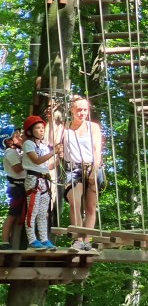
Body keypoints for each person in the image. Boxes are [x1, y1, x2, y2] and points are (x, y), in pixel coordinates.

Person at [51, 96, 104, 251]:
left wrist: (95, 169)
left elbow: (96, 149)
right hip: (72, 169)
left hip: (91, 167)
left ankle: (87, 240)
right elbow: (52, 141)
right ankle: (77, 239)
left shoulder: (92, 127)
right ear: (71, 110)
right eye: (78, 109)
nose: (82, 113)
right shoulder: (64, 127)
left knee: (90, 207)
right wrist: (52, 118)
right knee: (75, 203)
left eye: (85, 110)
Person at [21, 115, 63, 250]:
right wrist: (54, 152)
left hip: (44, 180)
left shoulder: (44, 147)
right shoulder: (28, 144)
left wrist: (58, 158)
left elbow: (47, 165)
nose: (41, 130)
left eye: (42, 128)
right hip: (33, 180)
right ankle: (32, 240)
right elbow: (36, 160)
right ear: (29, 131)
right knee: (32, 211)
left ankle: (44, 240)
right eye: (37, 128)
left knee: (42, 213)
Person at [1, 126, 24, 249]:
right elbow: (18, 168)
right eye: (16, 135)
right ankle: (4, 241)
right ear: (9, 141)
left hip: (20, 187)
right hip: (17, 188)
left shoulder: (17, 151)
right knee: (12, 215)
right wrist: (30, 160)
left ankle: (13, 242)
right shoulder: (10, 152)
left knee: (19, 215)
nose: (19, 137)